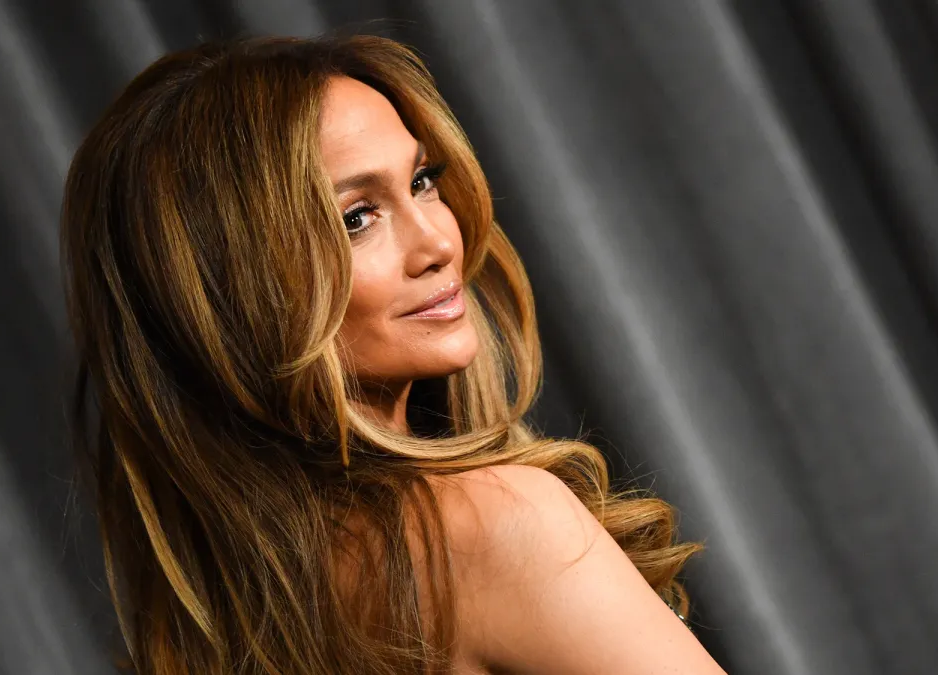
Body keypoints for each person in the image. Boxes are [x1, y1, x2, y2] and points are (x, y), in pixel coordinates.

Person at [60, 32, 726, 675]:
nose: (438, 241)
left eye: (423, 181)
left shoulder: (227, 612)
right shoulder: (488, 529)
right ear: (233, 293)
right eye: (357, 218)